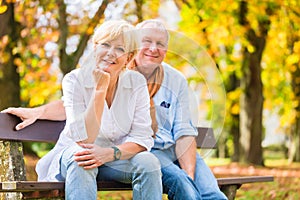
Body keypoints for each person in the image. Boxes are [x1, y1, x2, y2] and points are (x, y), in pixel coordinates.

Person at [3, 19, 227, 200]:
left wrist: (110, 153)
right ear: (95, 47)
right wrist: (98, 91)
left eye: (120, 48)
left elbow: (147, 136)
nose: (111, 53)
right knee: (84, 158)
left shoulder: (143, 82)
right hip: (80, 151)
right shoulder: (75, 79)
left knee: (153, 164)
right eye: (105, 45)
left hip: (124, 154)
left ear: (128, 57)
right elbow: (82, 136)